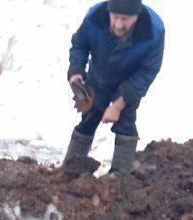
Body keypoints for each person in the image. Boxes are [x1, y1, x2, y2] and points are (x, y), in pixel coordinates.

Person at [64, 0, 165, 175]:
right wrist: (76, 71)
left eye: (125, 19)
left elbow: (147, 71)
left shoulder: (153, 31)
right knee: (89, 119)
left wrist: (118, 105)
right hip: (99, 77)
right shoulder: (96, 17)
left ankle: (119, 178)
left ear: (137, 15)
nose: (118, 25)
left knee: (125, 124)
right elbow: (80, 44)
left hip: (128, 84)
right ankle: (70, 170)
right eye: (115, 17)